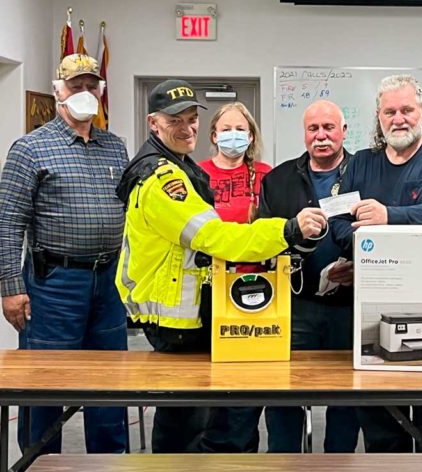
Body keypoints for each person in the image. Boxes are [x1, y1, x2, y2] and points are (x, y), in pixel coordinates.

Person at [115, 79, 325, 453]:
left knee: (208, 415)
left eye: (191, 118)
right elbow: (214, 237)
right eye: (175, 120)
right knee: (189, 425)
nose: (187, 128)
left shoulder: (180, 166)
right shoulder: (163, 180)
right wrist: (287, 229)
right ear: (154, 123)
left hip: (209, 310)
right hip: (178, 321)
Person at [0, 53, 129, 455]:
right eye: (76, 86)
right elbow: (8, 222)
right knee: (45, 382)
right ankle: (38, 462)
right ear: (58, 91)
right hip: (54, 283)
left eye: (92, 86)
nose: (85, 92)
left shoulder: (116, 147)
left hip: (108, 280)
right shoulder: (31, 148)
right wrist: (10, 288)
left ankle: (110, 461)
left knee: (110, 382)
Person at [332, 74, 422, 453]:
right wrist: (368, 250)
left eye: (406, 110)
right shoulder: (361, 163)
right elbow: (338, 223)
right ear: (379, 117)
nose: (398, 119)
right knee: (380, 419)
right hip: (373, 307)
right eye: (389, 112)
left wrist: (387, 217)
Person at [260, 99, 359, 453]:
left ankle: (339, 462)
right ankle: (284, 461)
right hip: (295, 306)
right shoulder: (277, 180)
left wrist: (360, 267)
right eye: (313, 129)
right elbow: (263, 242)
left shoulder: (364, 174)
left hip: (350, 307)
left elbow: (380, 234)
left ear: (343, 131)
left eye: (329, 128)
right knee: (285, 394)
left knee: (347, 399)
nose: (321, 136)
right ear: (304, 134)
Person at [196, 102, 272, 452]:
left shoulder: (268, 176)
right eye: (225, 129)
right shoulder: (196, 174)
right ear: (213, 136)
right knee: (212, 379)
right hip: (207, 291)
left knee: (248, 381)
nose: (233, 136)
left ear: (251, 135)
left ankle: (243, 452)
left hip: (257, 292)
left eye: (240, 129)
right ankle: (209, 452)